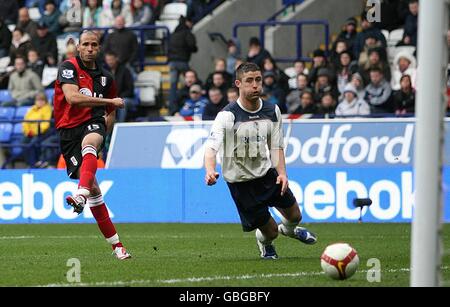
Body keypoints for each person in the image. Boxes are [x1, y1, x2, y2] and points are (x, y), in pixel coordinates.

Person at [204, 62, 317, 260]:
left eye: (258, 80)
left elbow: (276, 146)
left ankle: (290, 230)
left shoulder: (272, 111)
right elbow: (211, 147)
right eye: (249, 81)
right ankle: (265, 244)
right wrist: (210, 170)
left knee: (295, 216)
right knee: (270, 232)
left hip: (266, 174)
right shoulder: (227, 116)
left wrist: (282, 173)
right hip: (241, 184)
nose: (255, 85)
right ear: (238, 83)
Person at [53, 30, 130, 260]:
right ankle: (118, 247)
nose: (89, 48)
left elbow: (111, 112)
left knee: (91, 143)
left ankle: (80, 194)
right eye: (85, 44)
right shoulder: (68, 67)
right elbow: (72, 98)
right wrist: (109, 101)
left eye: (93, 45)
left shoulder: (106, 78)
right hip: (68, 131)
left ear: (99, 48)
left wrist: (103, 134)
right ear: (78, 47)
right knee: (96, 191)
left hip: (93, 123)